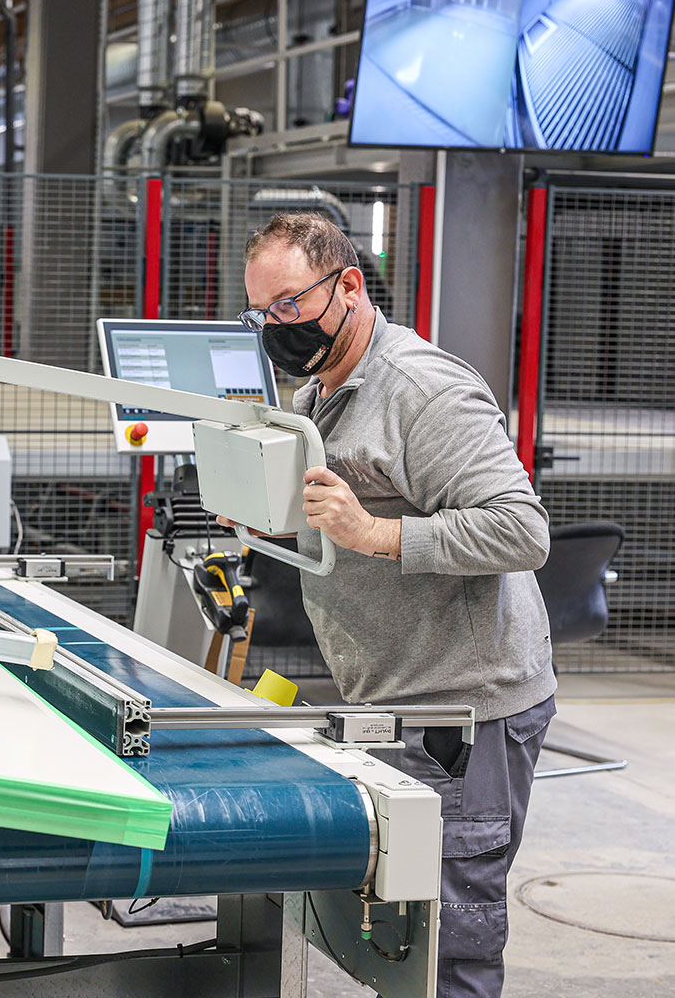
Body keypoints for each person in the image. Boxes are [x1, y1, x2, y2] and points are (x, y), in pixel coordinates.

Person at [227, 212, 556, 998]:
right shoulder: (321, 388)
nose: (277, 328)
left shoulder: (421, 389)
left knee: (449, 947)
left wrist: (375, 532)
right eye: (261, 314)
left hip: (464, 710)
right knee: (403, 931)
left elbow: (522, 530)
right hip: (394, 693)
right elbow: (335, 509)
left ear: (348, 286)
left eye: (289, 306)